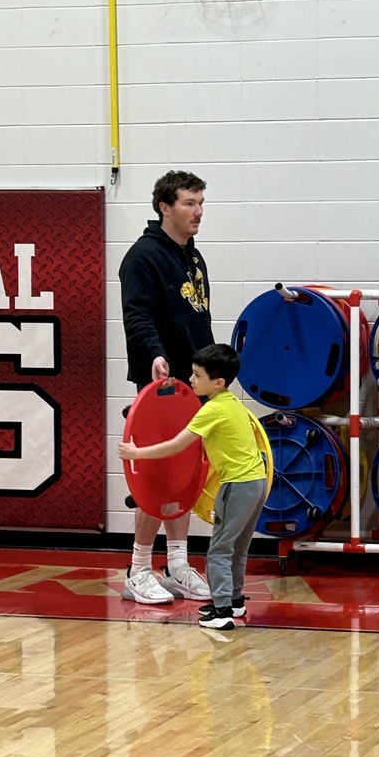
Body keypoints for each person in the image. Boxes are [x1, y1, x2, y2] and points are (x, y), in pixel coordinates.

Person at [119, 344, 267, 631]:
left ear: (218, 382)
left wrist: (136, 454)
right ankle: (235, 602)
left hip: (237, 486)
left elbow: (177, 446)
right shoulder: (233, 403)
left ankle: (223, 611)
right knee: (238, 548)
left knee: (220, 550)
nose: (190, 380)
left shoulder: (210, 410)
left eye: (197, 376)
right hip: (257, 483)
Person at [118, 169, 215, 604]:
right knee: (157, 475)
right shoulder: (141, 258)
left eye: (200, 203)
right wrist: (154, 353)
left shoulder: (194, 258)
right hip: (160, 384)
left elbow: (199, 322)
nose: (198, 212)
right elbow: (137, 316)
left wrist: (214, 372)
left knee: (186, 473)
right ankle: (137, 568)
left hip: (196, 385)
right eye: (189, 204)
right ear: (164, 207)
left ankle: (177, 564)